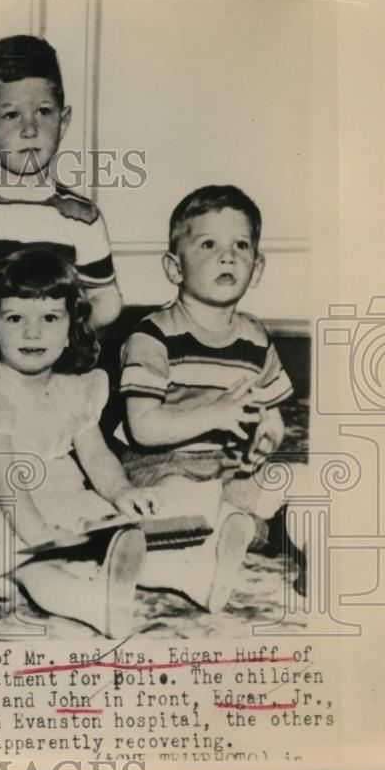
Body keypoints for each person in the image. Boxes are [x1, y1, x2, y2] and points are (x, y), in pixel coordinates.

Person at [0, 248, 153, 639]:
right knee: (30, 562)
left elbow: (95, 454)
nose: (32, 332)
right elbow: (5, 484)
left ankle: (185, 572)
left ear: (72, 326)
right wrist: (40, 536)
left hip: (44, 487)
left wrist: (121, 490)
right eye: (15, 318)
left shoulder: (76, 390)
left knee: (113, 529)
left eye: (50, 318)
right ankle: (89, 603)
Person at [0, 35, 124, 415]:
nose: (30, 129)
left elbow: (108, 299)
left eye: (44, 112)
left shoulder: (80, 217)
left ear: (63, 121)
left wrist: (66, 329)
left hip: (50, 375)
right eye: (11, 114)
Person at [118, 184, 297, 609]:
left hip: (228, 470)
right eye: (209, 244)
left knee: (299, 482)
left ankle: (240, 526)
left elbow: (270, 411)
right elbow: (142, 428)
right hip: (162, 468)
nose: (228, 255)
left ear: (257, 267)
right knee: (172, 505)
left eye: (242, 245)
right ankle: (234, 541)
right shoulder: (153, 336)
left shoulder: (254, 335)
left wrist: (269, 434)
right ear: (174, 267)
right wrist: (215, 413)